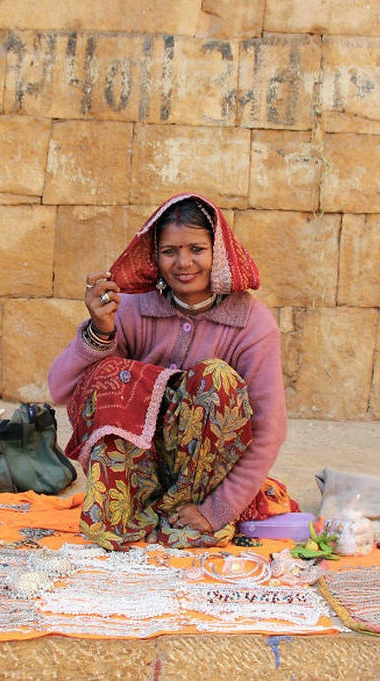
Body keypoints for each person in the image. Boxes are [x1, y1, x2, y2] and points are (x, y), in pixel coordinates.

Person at [48, 193, 288, 550]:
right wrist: (99, 330)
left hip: (205, 486)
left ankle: (185, 515)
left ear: (217, 252)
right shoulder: (130, 308)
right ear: (154, 257)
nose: (184, 263)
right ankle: (130, 508)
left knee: (215, 379)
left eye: (197, 249)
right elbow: (61, 389)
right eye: (170, 251)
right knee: (110, 373)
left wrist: (219, 509)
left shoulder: (252, 323)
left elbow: (270, 429)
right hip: (140, 474)